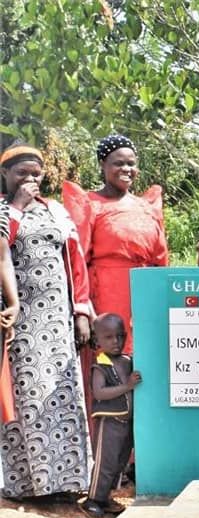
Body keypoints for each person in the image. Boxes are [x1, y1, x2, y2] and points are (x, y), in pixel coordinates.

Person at [0, 143, 94, 499]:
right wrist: (18, 207)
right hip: (18, 320)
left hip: (56, 320)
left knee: (62, 392)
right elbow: (1, 249)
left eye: (34, 173)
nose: (29, 178)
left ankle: (66, 483)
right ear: (6, 175)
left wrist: (82, 310)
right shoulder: (3, 209)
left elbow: (76, 262)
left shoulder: (56, 211)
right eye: (21, 173)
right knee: (27, 395)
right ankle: (29, 486)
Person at [62, 134, 168, 355]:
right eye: (118, 163)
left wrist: (162, 295)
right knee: (109, 360)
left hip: (144, 292)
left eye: (131, 163)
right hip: (107, 293)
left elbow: (161, 258)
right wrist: (84, 310)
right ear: (103, 165)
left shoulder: (146, 206)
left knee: (144, 356)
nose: (126, 169)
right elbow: (78, 260)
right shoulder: (90, 204)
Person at [82, 314, 140, 518]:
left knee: (119, 461)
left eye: (120, 336)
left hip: (127, 422)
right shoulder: (101, 365)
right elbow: (99, 392)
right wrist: (127, 386)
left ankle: (106, 497)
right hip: (110, 421)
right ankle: (93, 499)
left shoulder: (127, 360)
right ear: (97, 340)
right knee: (106, 461)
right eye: (108, 337)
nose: (116, 342)